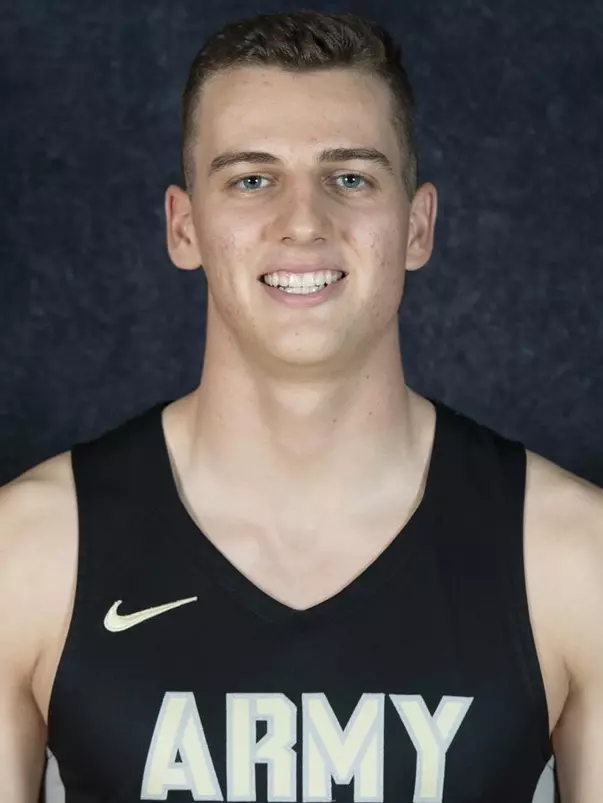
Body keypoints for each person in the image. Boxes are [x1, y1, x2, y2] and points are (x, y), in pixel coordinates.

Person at [1, 10, 601, 803]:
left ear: (416, 224)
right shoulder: (29, 554)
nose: (303, 223)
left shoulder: (571, 559)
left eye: (349, 176)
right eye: (252, 179)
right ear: (185, 227)